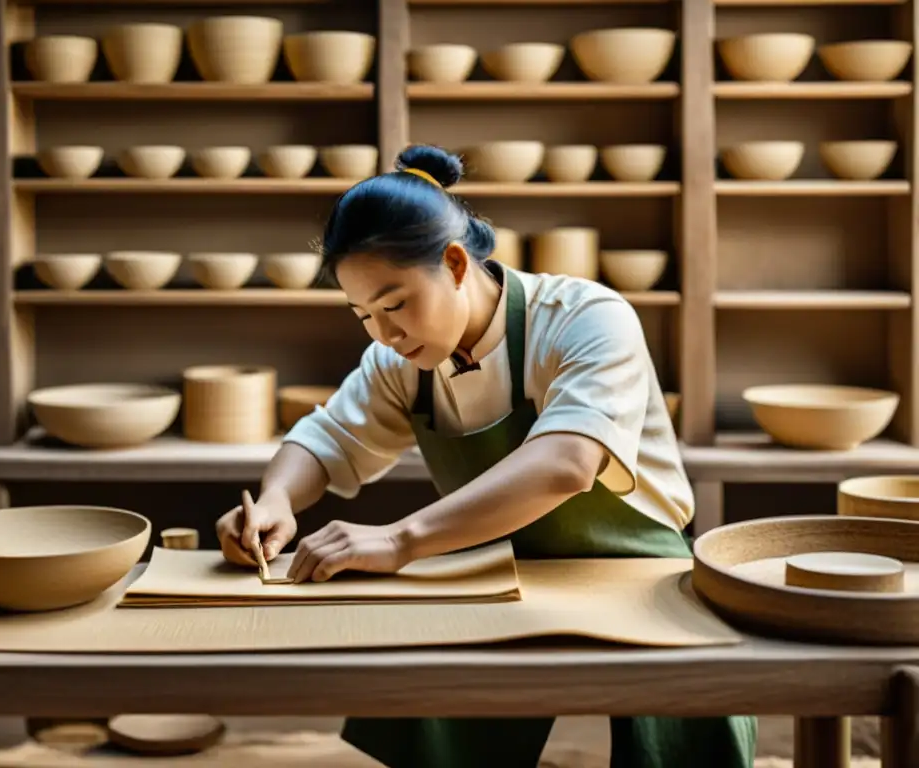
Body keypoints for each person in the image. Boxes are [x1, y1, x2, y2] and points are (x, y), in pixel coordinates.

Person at [215, 144, 757, 768]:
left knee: (686, 723)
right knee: (429, 685)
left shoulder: (587, 317)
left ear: (452, 264)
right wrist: (278, 498)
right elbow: (325, 439)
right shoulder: (400, 360)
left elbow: (567, 463)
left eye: (394, 305)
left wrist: (400, 540)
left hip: (633, 573)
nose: (384, 332)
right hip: (493, 570)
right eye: (362, 314)